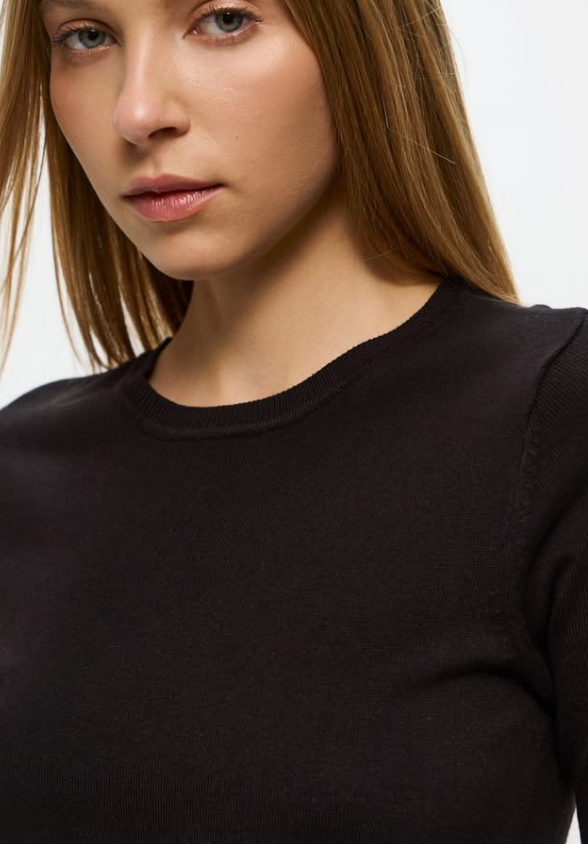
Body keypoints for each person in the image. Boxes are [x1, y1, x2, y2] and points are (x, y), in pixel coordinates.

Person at [0, 1, 586, 842]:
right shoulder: (20, 471)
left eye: (223, 19)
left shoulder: (554, 416)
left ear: (364, 39)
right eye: (86, 37)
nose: (137, 111)